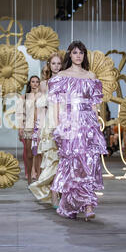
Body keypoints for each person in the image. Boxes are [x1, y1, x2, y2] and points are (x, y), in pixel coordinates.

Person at [48, 41, 107, 221]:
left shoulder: (90, 76)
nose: (78, 55)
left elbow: (96, 104)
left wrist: (96, 122)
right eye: (75, 52)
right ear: (70, 55)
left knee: (88, 162)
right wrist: (58, 125)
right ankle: (70, 204)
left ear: (84, 55)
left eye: (81, 52)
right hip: (70, 123)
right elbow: (57, 103)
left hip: (88, 124)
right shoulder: (62, 76)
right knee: (72, 164)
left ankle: (88, 205)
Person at [29, 52, 63, 208]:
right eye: (53, 63)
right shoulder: (44, 84)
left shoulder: (66, 81)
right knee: (52, 159)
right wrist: (39, 130)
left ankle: (60, 192)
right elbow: (41, 108)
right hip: (49, 124)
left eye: (59, 63)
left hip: (64, 122)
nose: (56, 66)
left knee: (63, 160)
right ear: (48, 65)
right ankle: (54, 192)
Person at [19, 75, 41, 185]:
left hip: (39, 127)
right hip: (28, 127)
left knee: (38, 154)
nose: (35, 83)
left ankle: (38, 179)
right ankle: (29, 179)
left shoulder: (42, 97)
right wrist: (20, 127)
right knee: (29, 154)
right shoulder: (24, 97)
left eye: (37, 81)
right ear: (29, 83)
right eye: (33, 81)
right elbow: (20, 114)